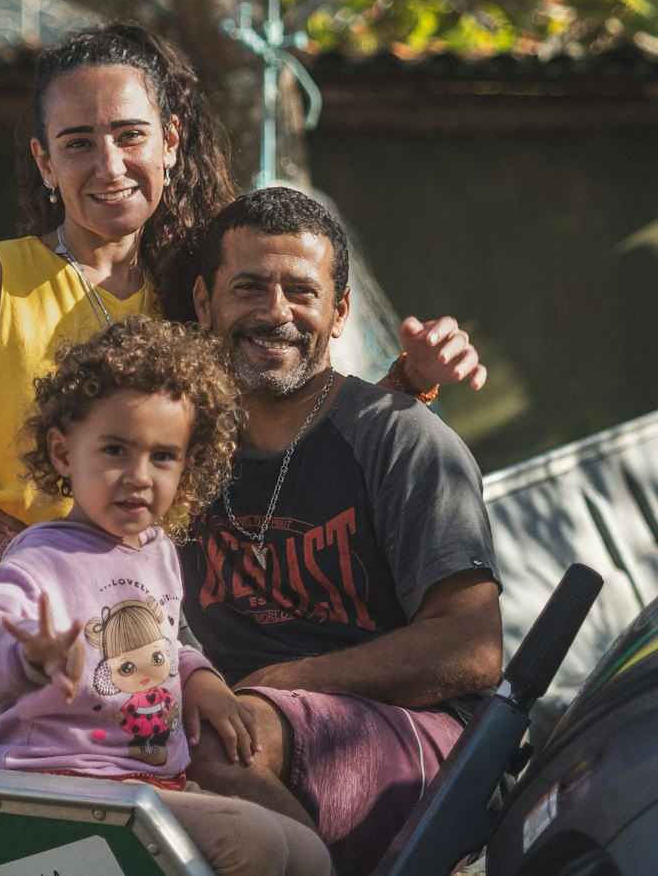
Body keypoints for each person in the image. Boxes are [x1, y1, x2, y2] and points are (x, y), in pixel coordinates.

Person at [0, 19, 486, 733]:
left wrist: (408, 383)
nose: (109, 164)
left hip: (126, 620)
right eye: (77, 142)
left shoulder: (200, 297)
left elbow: (291, 429)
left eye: (130, 135)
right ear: (43, 161)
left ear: (172, 142)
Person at [177, 188, 503, 876]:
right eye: (250, 287)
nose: (276, 312)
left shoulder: (399, 439)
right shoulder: (176, 451)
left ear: (339, 312)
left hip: (419, 742)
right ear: (204, 303)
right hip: (238, 731)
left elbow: (472, 648)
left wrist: (281, 683)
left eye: (301, 291)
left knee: (219, 741)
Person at [0, 316, 333, 876]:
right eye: (115, 450)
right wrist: (27, 655)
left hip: (147, 785)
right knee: (254, 845)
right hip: (59, 792)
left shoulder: (156, 549)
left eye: (163, 456)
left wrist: (198, 677)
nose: (138, 476)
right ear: (61, 453)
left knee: (310, 855)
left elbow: (161, 640)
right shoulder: (40, 561)